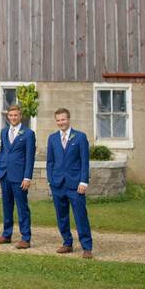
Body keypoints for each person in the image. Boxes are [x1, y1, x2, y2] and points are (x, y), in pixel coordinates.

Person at [46, 108, 94, 259]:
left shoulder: (80, 137)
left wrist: (83, 181)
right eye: (58, 120)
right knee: (62, 216)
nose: (61, 122)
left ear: (69, 119)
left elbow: (84, 161)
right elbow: (50, 161)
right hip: (58, 184)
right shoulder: (52, 138)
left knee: (80, 215)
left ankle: (87, 247)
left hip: (75, 184)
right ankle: (67, 243)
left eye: (63, 119)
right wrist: (50, 180)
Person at [0, 104, 36, 249]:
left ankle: (25, 237)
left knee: (22, 207)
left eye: (16, 115)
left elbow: (30, 157)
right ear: (8, 117)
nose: (13, 118)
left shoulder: (28, 133)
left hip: (19, 177)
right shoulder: (4, 132)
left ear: (20, 116)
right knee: (6, 206)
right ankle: (6, 234)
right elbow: (2, 151)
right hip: (4, 175)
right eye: (11, 115)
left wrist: (27, 177)